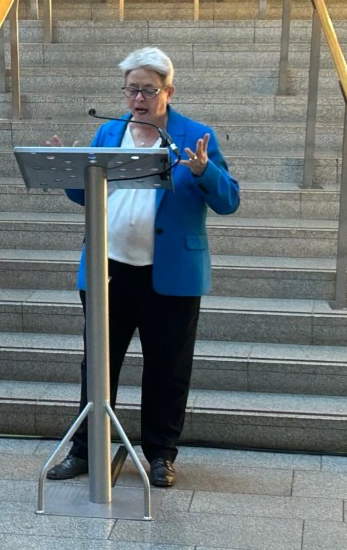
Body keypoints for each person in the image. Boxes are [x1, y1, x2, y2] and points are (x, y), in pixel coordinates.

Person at [46, 46, 239, 488]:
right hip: (107, 271)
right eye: (131, 89)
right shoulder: (109, 132)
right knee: (98, 365)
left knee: (167, 369)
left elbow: (229, 200)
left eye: (148, 90)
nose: (138, 98)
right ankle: (86, 450)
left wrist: (204, 171)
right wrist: (67, 172)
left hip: (170, 275)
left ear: (169, 91)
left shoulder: (196, 135)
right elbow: (87, 195)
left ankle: (161, 455)